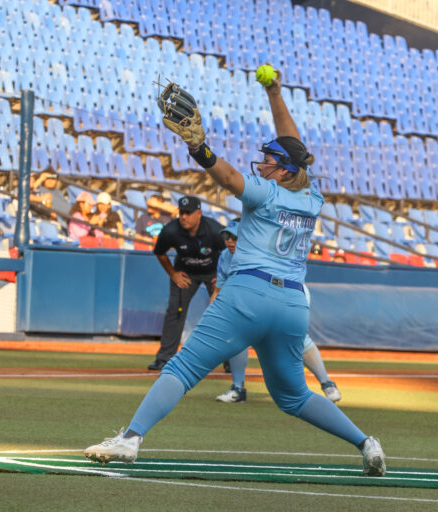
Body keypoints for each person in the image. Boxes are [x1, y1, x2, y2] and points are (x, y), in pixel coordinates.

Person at [85, 69, 385, 477]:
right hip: (293, 303)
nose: (261, 163)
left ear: (280, 170)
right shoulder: (312, 197)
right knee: (293, 396)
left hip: (248, 294)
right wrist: (275, 93)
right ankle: (366, 443)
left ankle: (130, 439)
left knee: (181, 368)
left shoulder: (266, 190)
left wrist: (199, 147)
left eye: (268, 160)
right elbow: (295, 148)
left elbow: (227, 176)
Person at [211, 220, 342, 403]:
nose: (229, 241)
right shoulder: (225, 256)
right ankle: (238, 388)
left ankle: (327, 383)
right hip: (256, 300)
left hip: (289, 294)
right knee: (236, 336)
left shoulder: (263, 253)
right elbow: (219, 290)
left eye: (234, 237)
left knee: (297, 339)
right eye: (226, 236)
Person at [146, 195, 226, 371]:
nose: (183, 217)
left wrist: (223, 275)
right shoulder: (171, 230)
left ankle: (230, 362)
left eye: (188, 213)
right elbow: (160, 252)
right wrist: (173, 274)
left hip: (213, 273)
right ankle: (164, 358)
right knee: (175, 312)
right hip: (185, 273)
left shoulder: (214, 230)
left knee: (224, 314)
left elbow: (233, 250)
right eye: (181, 212)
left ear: (199, 213)